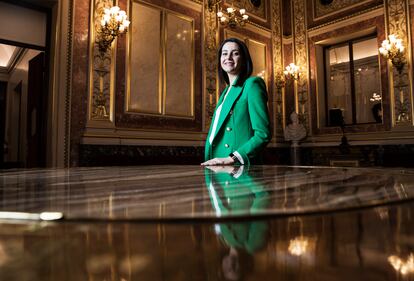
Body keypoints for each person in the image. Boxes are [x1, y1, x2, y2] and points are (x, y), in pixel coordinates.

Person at [201, 38, 271, 166]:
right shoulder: (225, 93)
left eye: (235, 53)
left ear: (244, 59)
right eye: (224, 53)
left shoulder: (252, 84)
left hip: (236, 167)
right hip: (216, 164)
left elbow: (263, 134)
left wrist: (232, 158)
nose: (228, 57)